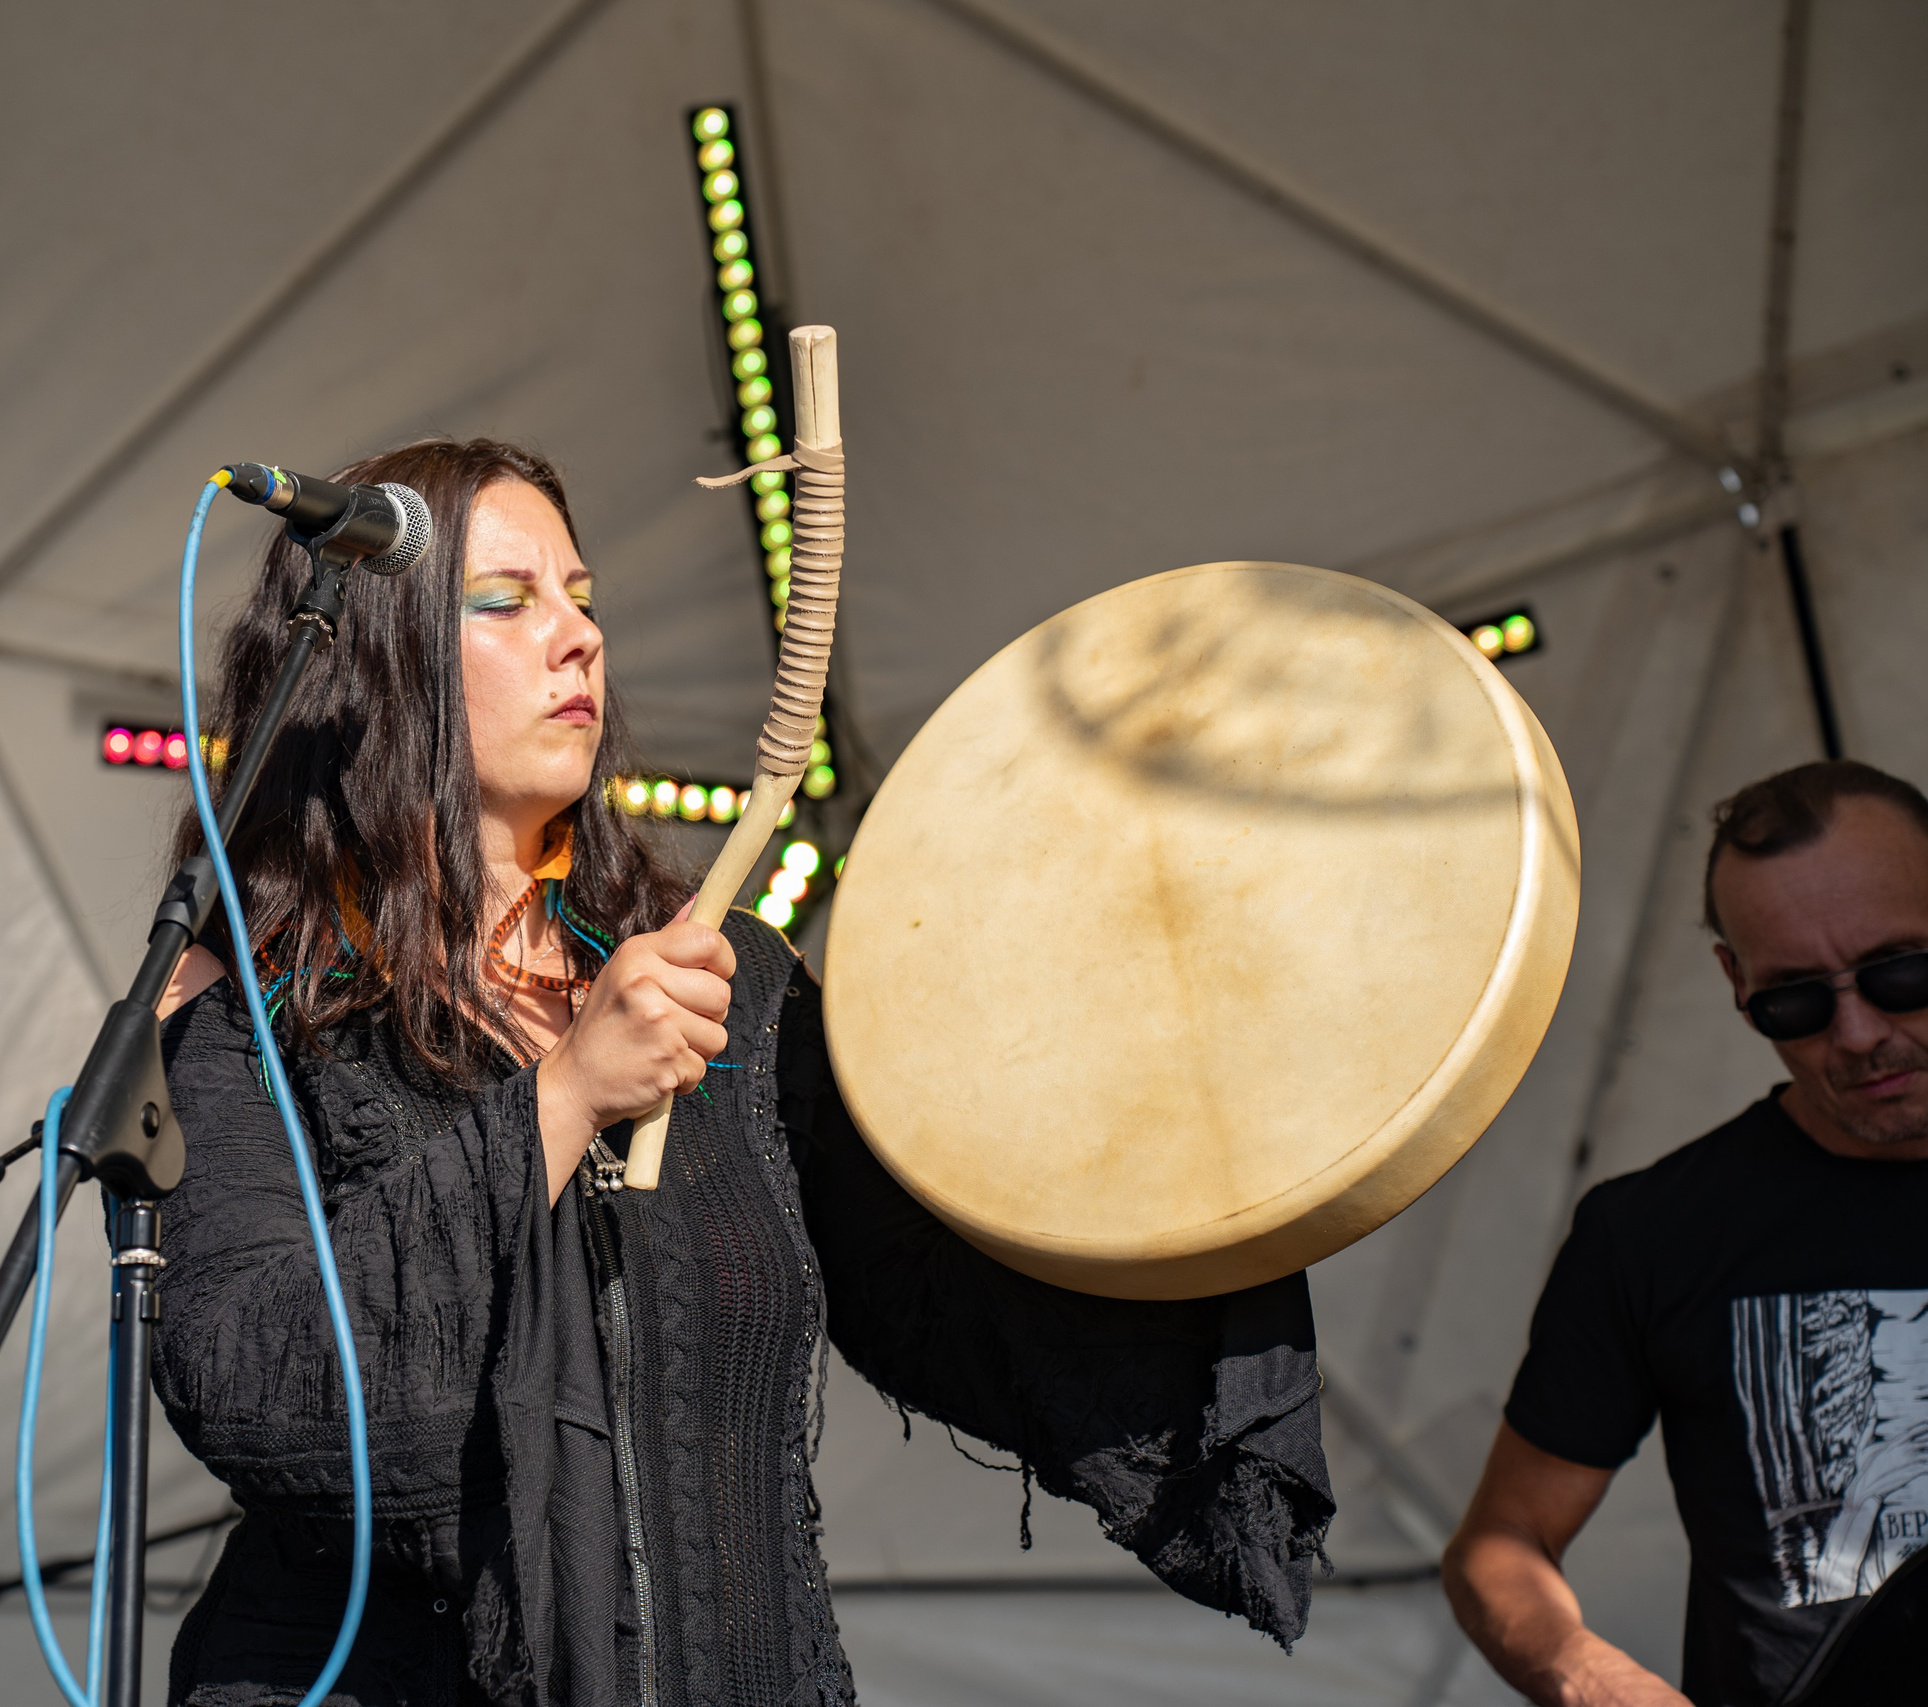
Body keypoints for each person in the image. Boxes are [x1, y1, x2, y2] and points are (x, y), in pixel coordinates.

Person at [147, 437, 1332, 1706]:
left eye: (583, 597)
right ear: (368, 655)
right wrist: (564, 1097)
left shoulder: (731, 987)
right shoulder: (259, 1010)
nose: (577, 638)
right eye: (506, 600)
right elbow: (258, 1390)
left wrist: (1200, 1146)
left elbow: (957, 1293)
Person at [1444, 760, 1928, 1706]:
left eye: (1901, 970)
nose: (1860, 1032)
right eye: (1797, 998)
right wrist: (1601, 1683)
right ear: (1734, 981)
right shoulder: (1652, 1231)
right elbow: (1501, 1545)